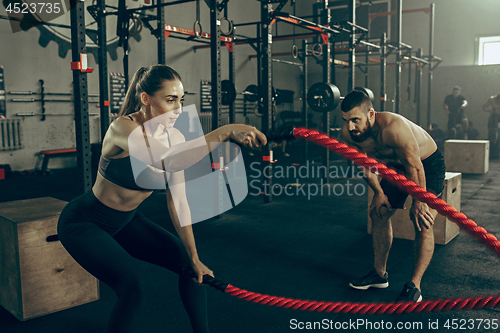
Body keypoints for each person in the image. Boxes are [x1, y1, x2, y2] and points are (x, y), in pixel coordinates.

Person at [57, 65, 267, 333]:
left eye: (181, 100)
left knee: (189, 266)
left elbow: (178, 201)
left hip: (127, 221)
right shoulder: (122, 128)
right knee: (131, 284)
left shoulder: (174, 136)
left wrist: (194, 256)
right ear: (145, 99)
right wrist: (225, 131)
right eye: (170, 100)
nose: (178, 109)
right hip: (85, 223)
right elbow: (169, 160)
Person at [341, 90, 446, 303]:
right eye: (346, 121)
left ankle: (414, 285)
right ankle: (379, 274)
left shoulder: (394, 129)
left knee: (422, 222)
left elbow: (416, 167)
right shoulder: (349, 134)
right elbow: (363, 165)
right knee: (378, 213)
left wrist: (419, 201)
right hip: (396, 167)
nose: (351, 127)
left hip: (426, 165)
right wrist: (378, 193)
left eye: (355, 120)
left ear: (370, 114)